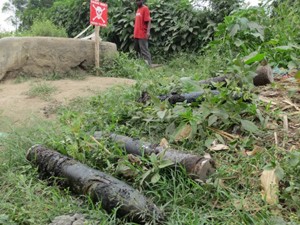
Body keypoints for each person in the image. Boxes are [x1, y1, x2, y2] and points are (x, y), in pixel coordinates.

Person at [133, 0, 152, 66]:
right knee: (137, 51)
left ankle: (149, 66)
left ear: (142, 1)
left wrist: (148, 32)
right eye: (136, 1)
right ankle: (140, 65)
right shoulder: (138, 9)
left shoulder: (145, 8)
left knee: (144, 51)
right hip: (136, 34)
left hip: (142, 34)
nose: (137, 2)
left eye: (139, 0)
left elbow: (149, 21)